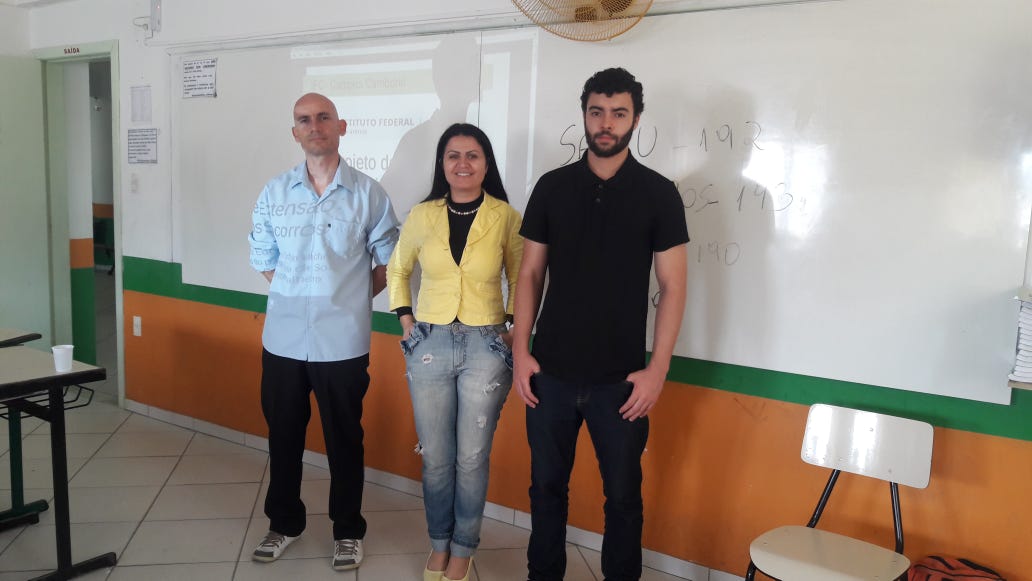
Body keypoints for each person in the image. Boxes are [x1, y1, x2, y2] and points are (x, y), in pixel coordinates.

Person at [512, 68, 689, 581]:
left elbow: (673, 287)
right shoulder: (552, 187)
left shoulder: (659, 193)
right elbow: (530, 274)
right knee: (546, 491)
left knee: (624, 499)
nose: (606, 123)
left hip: (623, 382)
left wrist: (657, 371)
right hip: (550, 374)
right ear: (585, 115)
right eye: (597, 112)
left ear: (636, 118)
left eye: (618, 113)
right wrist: (521, 352)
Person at [247, 92, 400, 571]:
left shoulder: (369, 194)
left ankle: (348, 531)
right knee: (283, 437)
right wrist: (298, 294)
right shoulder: (275, 192)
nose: (314, 126)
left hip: (343, 343)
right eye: (304, 120)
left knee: (344, 440)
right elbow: (262, 256)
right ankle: (284, 523)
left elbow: (389, 261)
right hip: (284, 340)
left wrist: (347, 298)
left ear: (341, 126)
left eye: (323, 118)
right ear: (295, 132)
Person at [387, 123, 523, 581]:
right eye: (453, 155)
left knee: (471, 457)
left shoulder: (505, 215)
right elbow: (398, 269)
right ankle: (439, 543)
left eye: (472, 155)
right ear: (442, 164)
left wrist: (511, 330)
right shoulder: (422, 214)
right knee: (436, 457)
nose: (462, 163)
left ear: (486, 164)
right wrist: (407, 322)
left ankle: (464, 547)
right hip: (429, 341)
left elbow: (522, 276)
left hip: (487, 344)